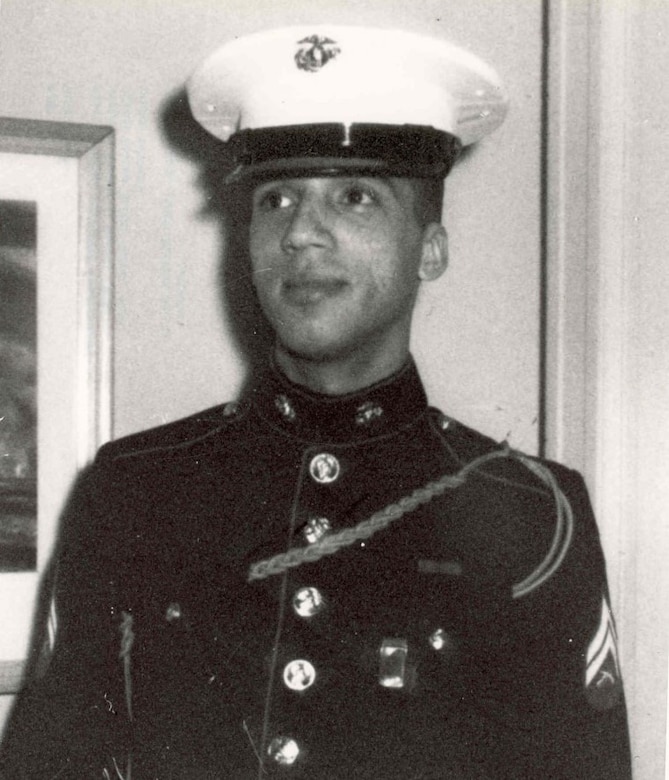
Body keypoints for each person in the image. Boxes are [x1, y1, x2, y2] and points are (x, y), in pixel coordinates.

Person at [0, 25, 631, 779]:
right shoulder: (135, 488)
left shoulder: (532, 515)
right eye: (277, 200)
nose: (301, 233)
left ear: (429, 247)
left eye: (355, 198)